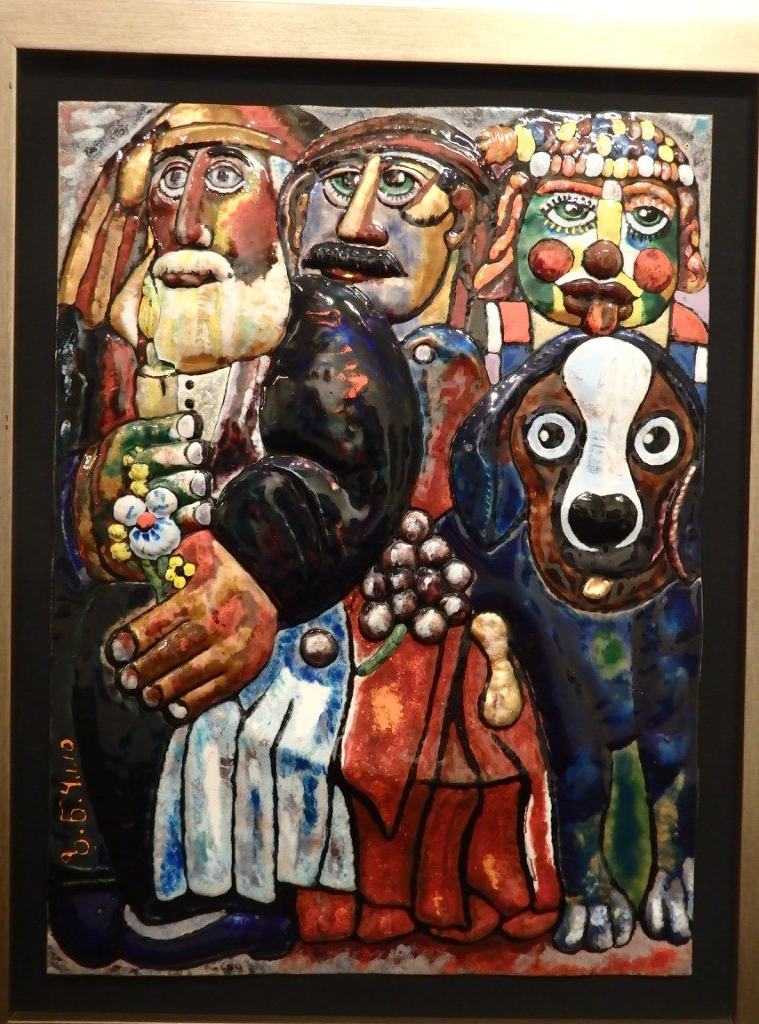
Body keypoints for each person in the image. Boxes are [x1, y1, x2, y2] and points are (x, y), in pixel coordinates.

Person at [52, 103, 422, 968]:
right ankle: (85, 865)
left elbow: (351, 465)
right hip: (138, 586)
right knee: (84, 651)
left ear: (285, 207)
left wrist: (258, 560)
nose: (186, 221)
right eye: (169, 183)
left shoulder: (322, 325)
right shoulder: (111, 337)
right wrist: (84, 498)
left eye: (224, 181)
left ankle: (211, 891)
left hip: (292, 606)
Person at [278, 115, 561, 944]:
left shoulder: (458, 374)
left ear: (466, 226)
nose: (358, 223)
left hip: (437, 628)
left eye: (399, 186)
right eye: (339, 187)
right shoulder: (282, 371)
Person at [472, 112, 708, 398]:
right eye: (570, 210)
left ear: (684, 238)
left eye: (648, 216)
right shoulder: (490, 337)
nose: (605, 258)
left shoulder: (692, 348)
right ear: (515, 216)